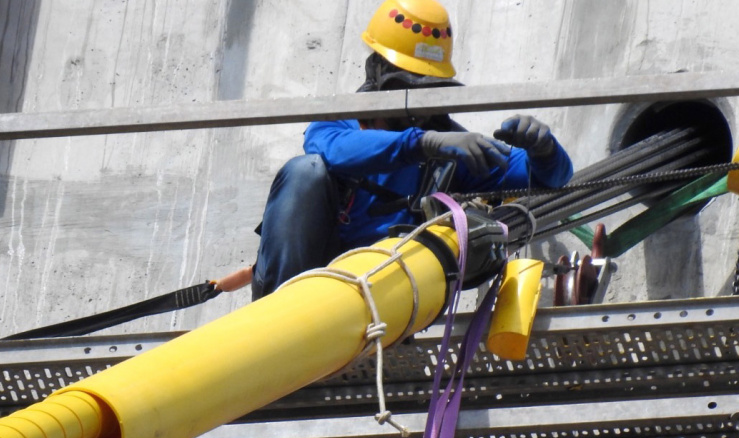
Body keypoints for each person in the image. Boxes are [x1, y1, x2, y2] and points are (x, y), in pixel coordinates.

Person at [238, 0, 573, 299]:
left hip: (380, 294)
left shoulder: (449, 151)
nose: (418, 105)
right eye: (406, 87)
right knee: (304, 171)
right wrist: (422, 143)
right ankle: (281, 309)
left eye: (429, 89)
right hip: (306, 280)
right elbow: (333, 152)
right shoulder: (336, 125)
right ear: (377, 75)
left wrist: (544, 150)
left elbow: (547, 177)